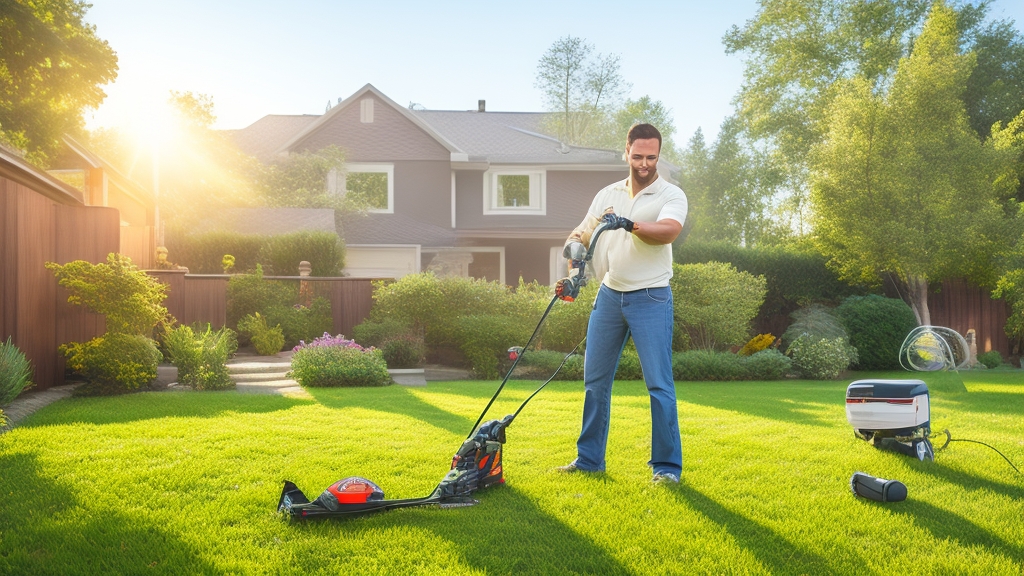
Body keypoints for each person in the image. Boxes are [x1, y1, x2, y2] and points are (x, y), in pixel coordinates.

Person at [558, 123, 687, 484]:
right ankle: (588, 460)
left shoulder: (670, 194)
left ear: (658, 155)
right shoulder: (607, 194)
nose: (645, 163)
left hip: (651, 297)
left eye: (652, 157)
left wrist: (629, 223)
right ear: (626, 151)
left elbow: (668, 232)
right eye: (638, 156)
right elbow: (580, 234)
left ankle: (666, 468)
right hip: (609, 296)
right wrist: (573, 263)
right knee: (594, 381)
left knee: (659, 384)